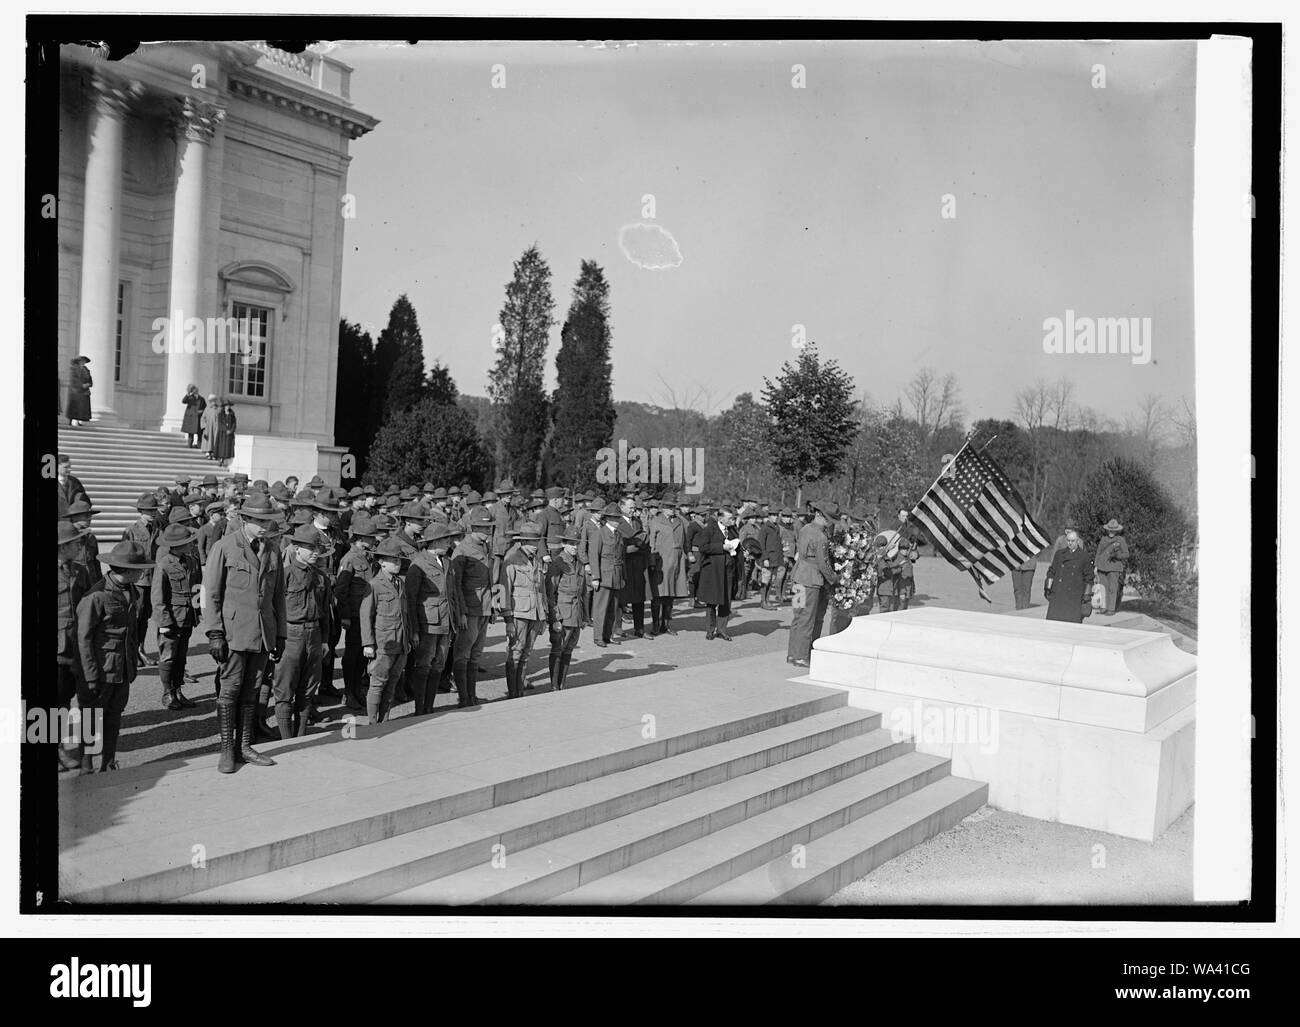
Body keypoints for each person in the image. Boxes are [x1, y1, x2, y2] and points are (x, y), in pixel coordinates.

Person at [203, 492, 285, 774]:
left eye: (268, 520)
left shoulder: (273, 549)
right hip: (234, 633)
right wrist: (214, 632)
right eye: (259, 520)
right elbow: (211, 594)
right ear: (245, 519)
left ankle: (245, 746)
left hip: (263, 634)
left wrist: (280, 634)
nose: (265, 526)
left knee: (252, 691)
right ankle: (227, 749)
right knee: (230, 690)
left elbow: (278, 598)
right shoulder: (225, 547)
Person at [77, 540, 155, 771]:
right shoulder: (96, 596)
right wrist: (90, 676)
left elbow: (129, 634)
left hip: (121, 668)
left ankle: (108, 762)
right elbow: (83, 639)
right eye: (140, 569)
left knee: (114, 717)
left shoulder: (131, 591)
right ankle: (86, 765)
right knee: (92, 720)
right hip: (100, 670)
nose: (143, 572)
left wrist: (132, 663)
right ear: (129, 570)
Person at [273, 525, 328, 738]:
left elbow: (325, 613)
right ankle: (286, 741)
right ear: (296, 548)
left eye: (318, 548)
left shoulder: (321, 577)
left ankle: (302, 735)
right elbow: (273, 609)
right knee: (285, 690)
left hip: (314, 635)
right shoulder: (283, 575)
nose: (316, 552)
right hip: (291, 635)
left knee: (307, 690)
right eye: (311, 548)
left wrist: (324, 641)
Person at [405, 521, 459, 715]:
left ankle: (430, 706)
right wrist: (415, 630)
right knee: (424, 665)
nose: (449, 543)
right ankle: (420, 709)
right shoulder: (418, 564)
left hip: (446, 622)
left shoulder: (447, 562)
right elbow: (410, 600)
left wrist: (456, 618)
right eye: (446, 539)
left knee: (439, 665)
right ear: (435, 541)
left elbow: (452, 594)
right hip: (428, 623)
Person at [360, 537, 414, 725]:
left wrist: (410, 636)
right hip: (384, 642)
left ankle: (385, 721)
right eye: (393, 560)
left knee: (392, 684)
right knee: (377, 683)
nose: (397, 564)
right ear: (381, 562)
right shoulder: (374, 585)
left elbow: (405, 614)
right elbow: (366, 616)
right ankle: (373, 723)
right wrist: (368, 643)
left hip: (400, 641)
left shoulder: (400, 583)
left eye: (399, 560)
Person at [446, 507, 496, 708]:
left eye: (489, 527)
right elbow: (456, 585)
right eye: (484, 527)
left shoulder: (484, 546)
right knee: (463, 655)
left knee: (475, 656)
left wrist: (492, 608)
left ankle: (472, 696)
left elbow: (490, 582)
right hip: (470, 610)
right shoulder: (462, 551)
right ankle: (464, 698)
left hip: (484, 608)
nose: (488, 531)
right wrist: (462, 612)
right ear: (473, 527)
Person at [152, 519, 203, 711]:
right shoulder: (164, 564)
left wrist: (197, 610)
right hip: (171, 617)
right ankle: (168, 693)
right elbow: (157, 596)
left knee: (181, 657)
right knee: (168, 657)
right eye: (188, 541)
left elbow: (198, 586)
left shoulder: (191, 561)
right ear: (177, 545)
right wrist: (164, 621)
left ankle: (178, 690)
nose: (191, 543)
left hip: (187, 616)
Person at [57, 521, 93, 772]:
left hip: (77, 645)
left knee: (69, 699)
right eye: (75, 543)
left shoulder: (81, 571)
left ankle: (84, 752)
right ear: (62, 547)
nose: (80, 546)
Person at [500, 522, 550, 698]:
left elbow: (541, 589)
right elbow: (504, 589)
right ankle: (513, 692)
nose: (535, 546)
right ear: (522, 542)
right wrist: (507, 619)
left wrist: (544, 615)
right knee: (515, 651)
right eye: (532, 542)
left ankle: (520, 689)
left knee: (527, 653)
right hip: (519, 613)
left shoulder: (535, 560)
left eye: (537, 542)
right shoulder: (511, 559)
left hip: (535, 612)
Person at [788, 501, 838, 666]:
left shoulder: (804, 529)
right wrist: (834, 579)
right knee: (807, 618)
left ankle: (793, 653)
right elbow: (823, 564)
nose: (829, 523)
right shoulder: (821, 537)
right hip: (811, 581)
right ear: (821, 516)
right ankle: (802, 656)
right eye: (828, 519)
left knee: (798, 616)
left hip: (798, 576)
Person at [335, 513, 377, 711]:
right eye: (369, 538)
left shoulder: (368, 558)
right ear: (359, 539)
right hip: (354, 614)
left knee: (362, 656)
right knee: (351, 656)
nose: (372, 540)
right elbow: (341, 590)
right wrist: (344, 615)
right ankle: (349, 692)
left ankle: (357, 689)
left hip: (367, 614)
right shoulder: (349, 559)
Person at [546, 527, 587, 691]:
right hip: (563, 614)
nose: (575, 547)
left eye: (576, 544)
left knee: (569, 649)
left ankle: (562, 685)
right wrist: (555, 618)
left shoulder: (579, 563)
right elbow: (550, 593)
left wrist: (585, 617)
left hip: (576, 613)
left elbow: (583, 593)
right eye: (571, 544)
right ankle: (554, 685)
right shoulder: (558, 564)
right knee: (558, 648)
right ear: (563, 544)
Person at [695, 504, 739, 642]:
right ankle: (710, 629)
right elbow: (703, 547)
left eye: (732, 518)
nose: (731, 521)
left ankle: (722, 630)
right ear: (720, 518)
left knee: (726, 601)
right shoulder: (709, 529)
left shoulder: (732, 530)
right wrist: (722, 547)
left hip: (728, 570)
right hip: (713, 571)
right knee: (712, 601)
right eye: (729, 518)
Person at [648, 495, 690, 636]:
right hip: (661, 562)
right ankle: (655, 625)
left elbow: (685, 543)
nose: (672, 509)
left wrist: (686, 556)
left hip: (676, 563)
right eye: (669, 507)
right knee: (658, 595)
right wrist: (652, 561)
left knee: (670, 595)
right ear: (663, 508)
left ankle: (666, 625)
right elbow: (652, 543)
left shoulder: (680, 521)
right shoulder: (656, 521)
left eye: (673, 506)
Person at [588, 503, 627, 648]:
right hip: (603, 576)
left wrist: (623, 577)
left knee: (613, 608)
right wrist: (596, 577)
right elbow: (593, 556)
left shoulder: (618, 535)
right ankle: (598, 637)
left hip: (616, 575)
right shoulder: (599, 533)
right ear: (608, 519)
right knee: (600, 608)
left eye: (618, 518)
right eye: (615, 518)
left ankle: (608, 636)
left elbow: (622, 558)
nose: (618, 521)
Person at [617, 495, 651, 638]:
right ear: (622, 507)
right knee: (621, 598)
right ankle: (617, 628)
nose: (633, 510)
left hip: (638, 564)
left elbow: (644, 538)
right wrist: (627, 548)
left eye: (634, 508)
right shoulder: (616, 523)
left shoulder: (637, 522)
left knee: (639, 597)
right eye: (630, 507)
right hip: (624, 563)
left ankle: (640, 629)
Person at [1044, 529, 1095, 623]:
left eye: (1072, 541)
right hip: (1058, 594)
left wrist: (1087, 596)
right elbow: (1051, 572)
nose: (1070, 543)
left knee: (1071, 625)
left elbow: (1089, 578)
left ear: (1077, 541)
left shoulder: (1083, 556)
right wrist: (1047, 588)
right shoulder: (1059, 554)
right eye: (1068, 541)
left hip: (1074, 596)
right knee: (1053, 624)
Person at [1094, 518, 1130, 615]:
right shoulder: (1103, 539)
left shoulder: (1120, 540)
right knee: (1103, 588)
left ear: (1117, 531)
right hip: (1102, 566)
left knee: (1112, 588)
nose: (1111, 532)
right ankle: (1103, 607)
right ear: (1107, 529)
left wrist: (1118, 556)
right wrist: (1096, 565)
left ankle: (1111, 609)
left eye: (1113, 530)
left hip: (1114, 567)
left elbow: (1126, 554)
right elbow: (1098, 553)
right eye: (1110, 530)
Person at [66, 356, 92, 426]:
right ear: (79, 361)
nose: (83, 362)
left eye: (84, 361)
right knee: (73, 407)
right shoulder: (73, 368)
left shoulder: (86, 369)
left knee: (81, 408)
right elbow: (73, 379)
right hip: (75, 390)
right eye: (82, 360)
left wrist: (88, 384)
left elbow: (90, 379)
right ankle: (70, 421)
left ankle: (78, 421)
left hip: (84, 392)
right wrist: (81, 385)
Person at [213, 400, 237, 466]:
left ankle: (225, 461)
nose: (227, 407)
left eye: (228, 405)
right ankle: (220, 459)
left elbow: (234, 424)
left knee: (227, 447)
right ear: (224, 406)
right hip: (222, 433)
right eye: (226, 406)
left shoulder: (232, 414)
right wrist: (225, 430)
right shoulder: (220, 414)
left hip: (229, 434)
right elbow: (220, 424)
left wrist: (231, 431)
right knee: (221, 447)